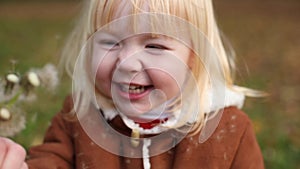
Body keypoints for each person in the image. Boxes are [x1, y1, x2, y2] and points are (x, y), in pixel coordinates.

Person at [0, 0, 265, 168]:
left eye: (154, 46)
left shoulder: (230, 130)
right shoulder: (78, 118)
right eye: (110, 43)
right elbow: (51, 162)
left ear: (194, 59)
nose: (126, 63)